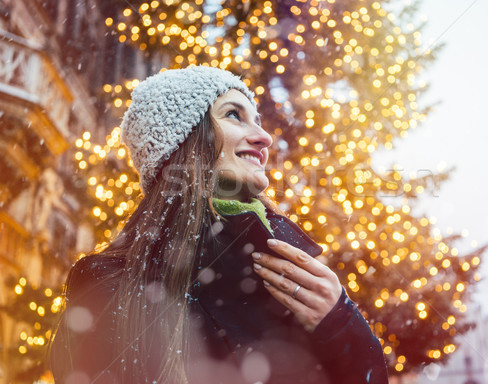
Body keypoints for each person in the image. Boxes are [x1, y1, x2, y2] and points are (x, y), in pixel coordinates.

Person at [50, 66, 389, 384]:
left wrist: (342, 326)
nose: (264, 138)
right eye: (233, 115)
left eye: (256, 119)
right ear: (184, 140)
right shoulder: (111, 286)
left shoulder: (295, 279)